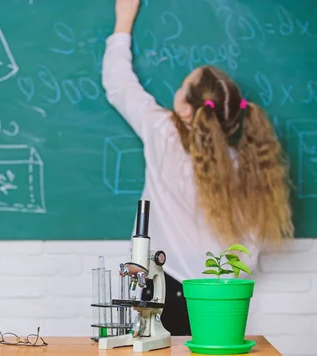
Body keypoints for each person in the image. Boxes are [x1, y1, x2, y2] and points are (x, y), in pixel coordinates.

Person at [104, 0, 293, 336]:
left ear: (188, 110)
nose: (175, 91)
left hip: (163, 285)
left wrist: (123, 23)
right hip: (218, 296)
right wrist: (222, 280)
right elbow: (250, 246)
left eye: (181, 88)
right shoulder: (246, 165)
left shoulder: (163, 134)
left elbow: (119, 84)